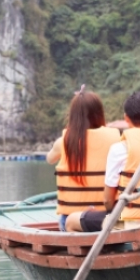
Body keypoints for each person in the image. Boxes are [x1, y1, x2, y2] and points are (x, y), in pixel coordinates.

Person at [66, 91, 140, 232]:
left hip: (133, 224)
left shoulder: (120, 148)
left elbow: (108, 201)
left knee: (71, 220)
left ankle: (104, 252)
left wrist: (112, 209)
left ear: (126, 118)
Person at [46, 87, 120, 232]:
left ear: (73, 116)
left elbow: (50, 159)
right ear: (99, 114)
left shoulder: (63, 142)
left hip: (70, 219)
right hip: (104, 217)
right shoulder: (115, 139)